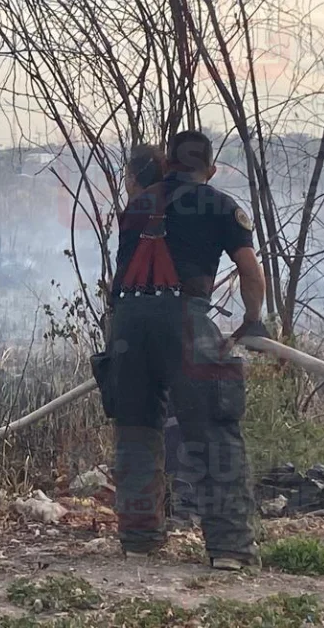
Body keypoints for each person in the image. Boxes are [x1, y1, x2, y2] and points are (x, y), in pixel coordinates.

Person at [103, 130, 270, 571]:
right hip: (184, 321)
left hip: (127, 324)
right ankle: (230, 550)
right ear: (210, 168)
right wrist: (252, 321)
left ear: (168, 164)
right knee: (214, 434)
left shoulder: (137, 206)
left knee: (136, 431)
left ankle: (138, 541)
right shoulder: (219, 204)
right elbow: (250, 272)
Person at [120, 145, 197, 526]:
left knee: (142, 427)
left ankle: (149, 524)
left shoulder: (137, 213)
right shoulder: (193, 208)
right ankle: (182, 506)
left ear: (135, 178)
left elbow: (123, 282)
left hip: (141, 331)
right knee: (185, 418)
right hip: (187, 330)